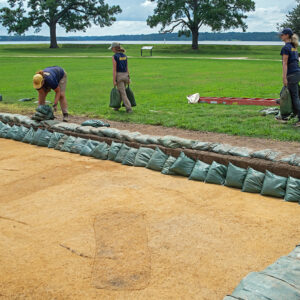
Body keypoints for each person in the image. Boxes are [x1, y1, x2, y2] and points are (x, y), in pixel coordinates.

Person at [280, 28, 300, 126]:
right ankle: (287, 115)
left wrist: (284, 78)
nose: (281, 36)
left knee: (294, 97)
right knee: (283, 94)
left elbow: (285, 63)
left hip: (291, 74)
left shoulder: (286, 48)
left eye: (282, 35)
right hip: (296, 73)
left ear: (287, 35)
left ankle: (297, 117)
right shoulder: (293, 46)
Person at [109, 42, 132, 113]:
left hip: (119, 76)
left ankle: (129, 108)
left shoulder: (114, 56)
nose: (111, 50)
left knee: (123, 93)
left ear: (114, 48)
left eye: (112, 48)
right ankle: (117, 107)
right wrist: (129, 77)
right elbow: (127, 67)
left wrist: (114, 80)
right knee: (120, 91)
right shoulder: (124, 56)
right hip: (125, 75)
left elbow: (114, 69)